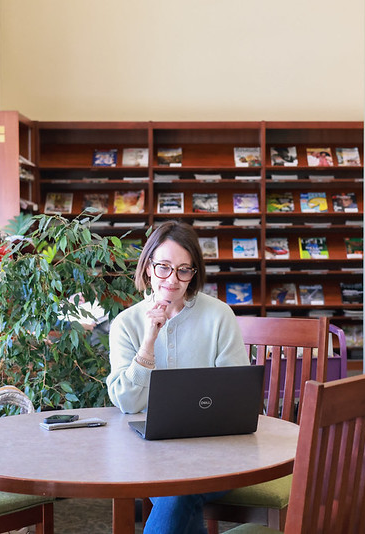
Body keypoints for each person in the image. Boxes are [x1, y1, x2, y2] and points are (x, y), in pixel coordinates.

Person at [106, 220, 248, 534]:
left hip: (215, 454)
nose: (173, 280)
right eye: (164, 268)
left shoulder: (219, 316)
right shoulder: (126, 324)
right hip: (148, 457)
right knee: (177, 495)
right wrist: (148, 343)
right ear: (147, 269)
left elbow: (238, 396)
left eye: (184, 270)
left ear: (194, 273)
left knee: (177, 494)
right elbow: (128, 404)